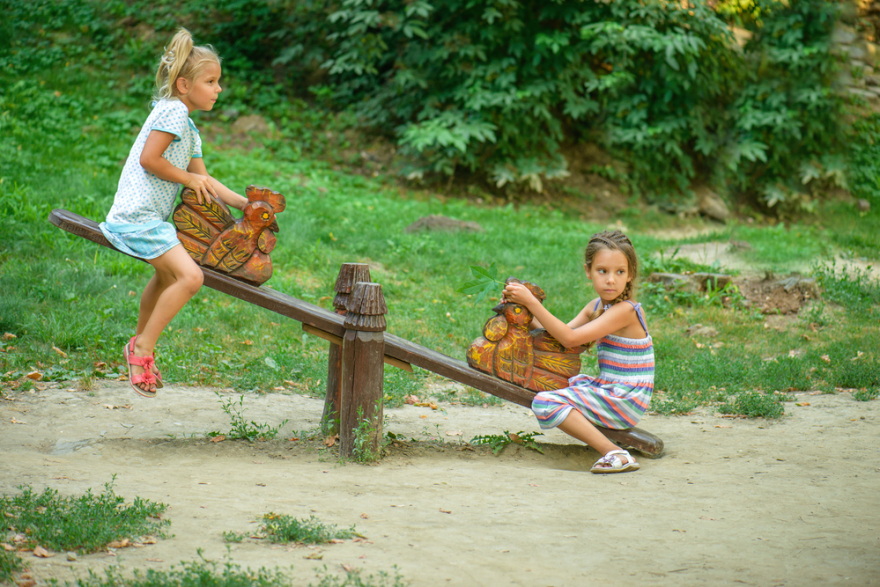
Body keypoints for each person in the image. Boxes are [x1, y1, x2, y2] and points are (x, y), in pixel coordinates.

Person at [100, 28, 248, 398]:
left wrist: (245, 205)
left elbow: (203, 179)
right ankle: (143, 349)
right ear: (184, 84)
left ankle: (139, 344)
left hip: (149, 218)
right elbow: (150, 160)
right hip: (137, 217)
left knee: (168, 277)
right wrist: (185, 178)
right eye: (211, 82)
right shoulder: (173, 111)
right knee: (190, 278)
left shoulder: (189, 126)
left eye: (218, 82)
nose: (218, 89)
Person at [501, 230, 654, 473]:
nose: (611, 279)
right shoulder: (596, 306)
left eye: (620, 272)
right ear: (588, 271)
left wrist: (531, 302)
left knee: (545, 402)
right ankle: (612, 448)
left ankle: (615, 453)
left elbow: (568, 337)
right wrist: (522, 310)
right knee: (550, 387)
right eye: (602, 271)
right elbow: (560, 341)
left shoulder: (626, 310)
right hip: (609, 390)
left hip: (625, 398)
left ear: (630, 274)